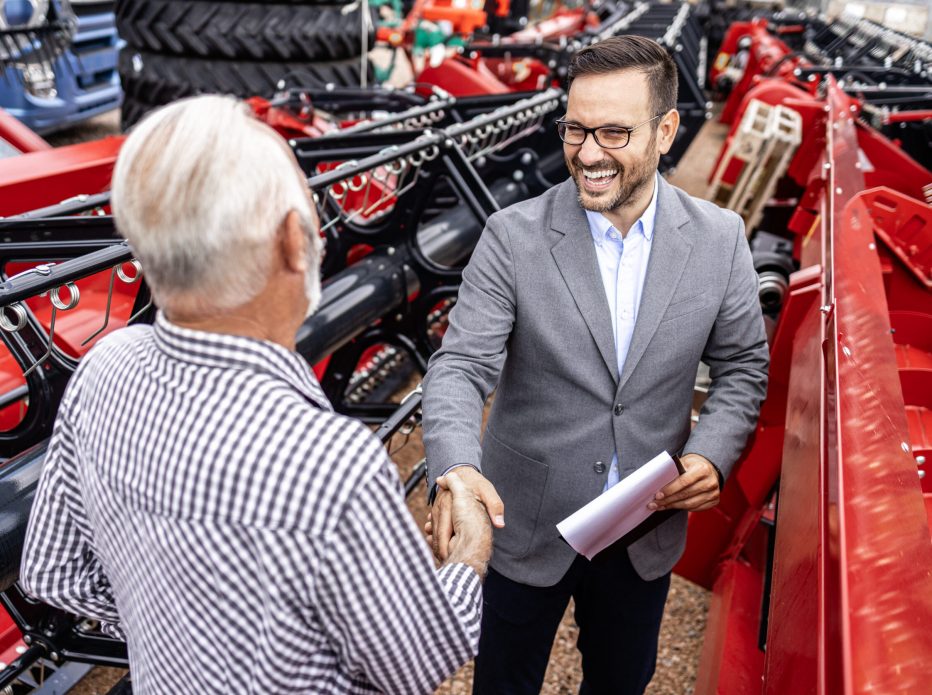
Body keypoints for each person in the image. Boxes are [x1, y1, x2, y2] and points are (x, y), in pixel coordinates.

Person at [20, 95, 492, 694]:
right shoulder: (331, 465)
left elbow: (55, 574)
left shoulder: (102, 371)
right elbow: (412, 664)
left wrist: (180, 628)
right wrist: (467, 562)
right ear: (295, 240)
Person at [422, 35, 769, 694]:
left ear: (666, 130)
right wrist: (456, 468)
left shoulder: (720, 241)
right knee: (503, 680)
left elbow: (743, 365)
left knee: (620, 680)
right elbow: (461, 363)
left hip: (645, 525)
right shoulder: (512, 237)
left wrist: (712, 454)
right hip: (524, 521)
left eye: (614, 132)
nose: (587, 153)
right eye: (576, 130)